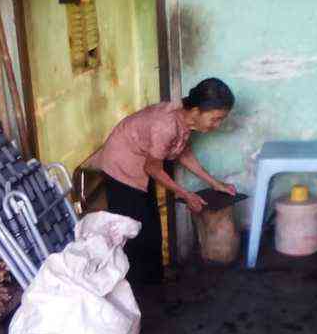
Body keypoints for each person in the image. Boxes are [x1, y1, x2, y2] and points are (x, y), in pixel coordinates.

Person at [92, 77, 236, 285]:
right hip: (120, 167)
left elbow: (183, 152)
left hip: (141, 165)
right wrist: (186, 195)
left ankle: (154, 280)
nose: (217, 125)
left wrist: (214, 183)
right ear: (196, 111)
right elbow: (152, 168)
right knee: (132, 230)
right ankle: (136, 288)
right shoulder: (166, 125)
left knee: (151, 227)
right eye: (215, 119)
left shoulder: (184, 119)